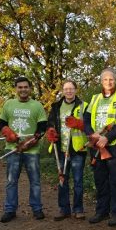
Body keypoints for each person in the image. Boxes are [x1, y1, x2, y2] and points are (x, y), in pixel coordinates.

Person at [84, 68, 116, 226]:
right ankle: (101, 211)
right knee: (100, 179)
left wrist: (107, 137)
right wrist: (92, 135)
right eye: (105, 80)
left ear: (115, 81)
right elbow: (86, 118)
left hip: (115, 146)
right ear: (101, 81)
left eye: (111, 79)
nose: (108, 82)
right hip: (96, 145)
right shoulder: (95, 98)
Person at [0, 77, 48, 223]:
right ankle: (10, 210)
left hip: (32, 152)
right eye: (20, 87)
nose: (23, 90)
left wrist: (32, 140)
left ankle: (37, 208)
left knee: (35, 181)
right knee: (11, 181)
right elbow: (2, 122)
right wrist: (7, 132)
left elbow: (42, 127)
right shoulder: (8, 104)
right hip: (12, 150)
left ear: (30, 88)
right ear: (16, 89)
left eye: (25, 87)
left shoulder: (37, 106)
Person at [46, 80, 89, 221]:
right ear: (63, 91)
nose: (69, 91)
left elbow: (90, 125)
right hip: (61, 148)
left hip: (77, 149)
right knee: (62, 180)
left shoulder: (83, 106)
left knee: (77, 181)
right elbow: (50, 123)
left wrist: (80, 124)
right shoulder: (56, 106)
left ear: (76, 90)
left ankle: (78, 209)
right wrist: (51, 130)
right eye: (66, 89)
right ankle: (64, 209)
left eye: (71, 88)